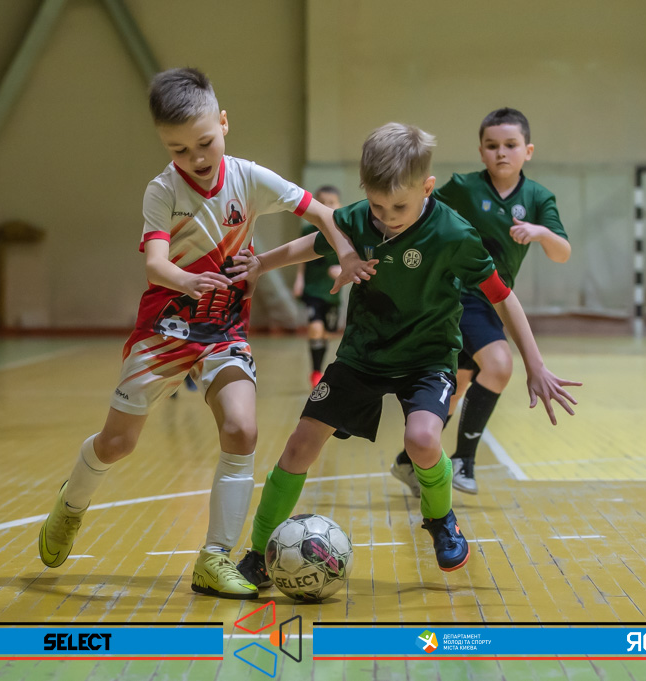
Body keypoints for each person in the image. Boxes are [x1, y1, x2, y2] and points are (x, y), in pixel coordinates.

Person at [36, 68, 375, 600]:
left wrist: (347, 253)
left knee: (241, 429)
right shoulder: (162, 190)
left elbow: (323, 214)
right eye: (178, 149)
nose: (194, 157)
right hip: (165, 331)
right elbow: (155, 264)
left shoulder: (249, 178)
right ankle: (71, 504)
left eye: (204, 143)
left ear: (224, 123)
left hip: (224, 331)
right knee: (118, 443)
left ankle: (214, 559)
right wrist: (186, 280)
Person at [227, 122, 579, 588]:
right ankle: (259, 552)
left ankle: (441, 520)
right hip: (363, 355)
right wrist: (260, 263)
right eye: (377, 205)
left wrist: (534, 364)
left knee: (423, 439)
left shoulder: (454, 233)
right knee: (299, 445)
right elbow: (316, 241)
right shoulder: (359, 218)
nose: (387, 217)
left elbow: (502, 296)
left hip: (427, 358)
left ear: (427, 188)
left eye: (399, 207)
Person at [390, 107, 570, 497]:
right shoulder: (464, 187)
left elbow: (562, 253)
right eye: (492, 145)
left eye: (511, 145)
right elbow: (420, 212)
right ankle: (463, 461)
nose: (501, 152)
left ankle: (407, 461)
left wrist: (541, 232)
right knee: (499, 365)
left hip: (494, 301)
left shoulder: (539, 198)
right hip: (458, 294)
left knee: (456, 388)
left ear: (528, 151)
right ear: (481, 150)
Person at [292, 185, 344, 386]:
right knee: (315, 328)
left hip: (332, 290)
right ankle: (315, 372)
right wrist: (299, 279)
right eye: (322, 202)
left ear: (339, 205)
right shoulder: (308, 230)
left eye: (331, 202)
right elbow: (300, 259)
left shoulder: (344, 231)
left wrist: (342, 269)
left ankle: (319, 368)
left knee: (326, 333)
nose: (326, 206)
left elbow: (353, 257)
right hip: (312, 288)